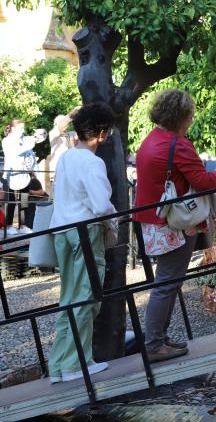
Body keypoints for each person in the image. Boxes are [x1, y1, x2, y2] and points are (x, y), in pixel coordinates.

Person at [134, 90, 216, 362]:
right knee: (167, 283)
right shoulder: (178, 144)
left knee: (167, 282)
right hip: (172, 224)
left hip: (152, 220)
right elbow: (204, 181)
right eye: (191, 115)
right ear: (182, 116)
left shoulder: (151, 140)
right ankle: (153, 343)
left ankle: (159, 339)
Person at [48, 103, 116, 383]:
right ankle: (78, 363)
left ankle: (60, 365)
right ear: (102, 133)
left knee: (69, 299)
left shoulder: (66, 157)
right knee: (86, 298)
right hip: (84, 233)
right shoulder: (92, 161)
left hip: (62, 231)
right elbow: (101, 206)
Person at [2, 119, 46, 235]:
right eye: (20, 128)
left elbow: (32, 147)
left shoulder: (24, 140)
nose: (22, 131)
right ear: (13, 128)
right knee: (10, 203)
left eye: (23, 128)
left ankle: (23, 225)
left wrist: (37, 138)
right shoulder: (6, 141)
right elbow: (12, 153)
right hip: (11, 176)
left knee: (24, 201)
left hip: (24, 176)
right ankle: (9, 225)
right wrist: (28, 146)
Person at [47, 111, 79, 186]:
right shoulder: (53, 133)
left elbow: (80, 135)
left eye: (67, 124)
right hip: (57, 169)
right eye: (64, 123)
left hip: (69, 169)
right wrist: (70, 115)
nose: (66, 125)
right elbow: (59, 129)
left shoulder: (70, 133)